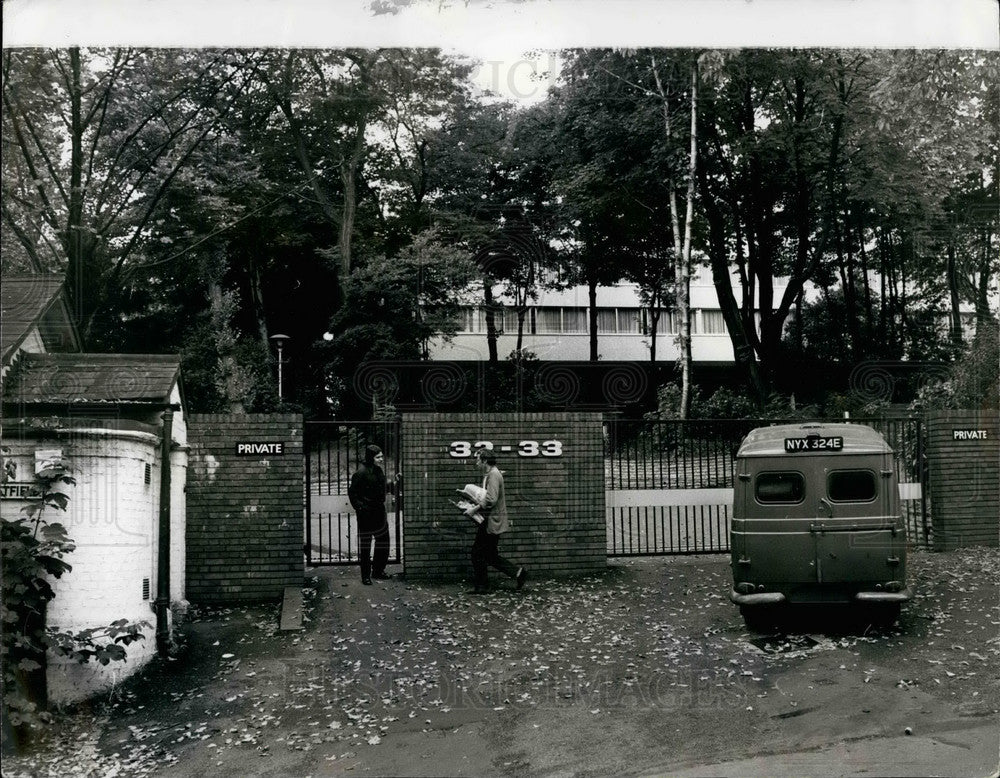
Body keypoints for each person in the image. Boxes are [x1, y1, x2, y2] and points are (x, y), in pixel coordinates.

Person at [464, 449, 527, 594]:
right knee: (490, 555)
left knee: (477, 553)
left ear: (485, 461)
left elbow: (491, 500)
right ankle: (519, 573)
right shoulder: (491, 474)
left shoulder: (493, 475)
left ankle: (483, 586)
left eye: (478, 459)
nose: (477, 462)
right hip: (490, 519)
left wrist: (473, 510)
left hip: (491, 521)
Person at [348, 444, 391, 585]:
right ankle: (365, 575)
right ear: (371, 457)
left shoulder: (378, 471)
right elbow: (352, 493)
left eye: (381, 456)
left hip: (379, 511)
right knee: (366, 545)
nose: (381, 459)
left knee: (383, 541)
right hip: (366, 513)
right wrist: (360, 508)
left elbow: (382, 488)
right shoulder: (360, 473)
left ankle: (378, 570)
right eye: (378, 457)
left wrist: (393, 483)